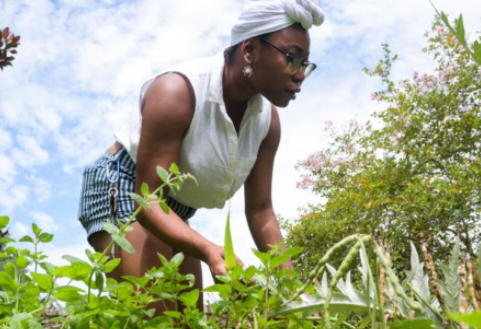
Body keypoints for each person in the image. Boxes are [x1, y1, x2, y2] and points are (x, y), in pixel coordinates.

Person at [77, 0, 325, 311]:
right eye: (292, 59)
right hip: (129, 188)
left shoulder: (266, 122)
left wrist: (292, 294)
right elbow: (148, 199)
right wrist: (209, 249)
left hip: (172, 204)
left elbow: (261, 211)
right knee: (158, 322)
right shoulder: (177, 92)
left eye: (306, 64)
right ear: (249, 50)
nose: (300, 74)